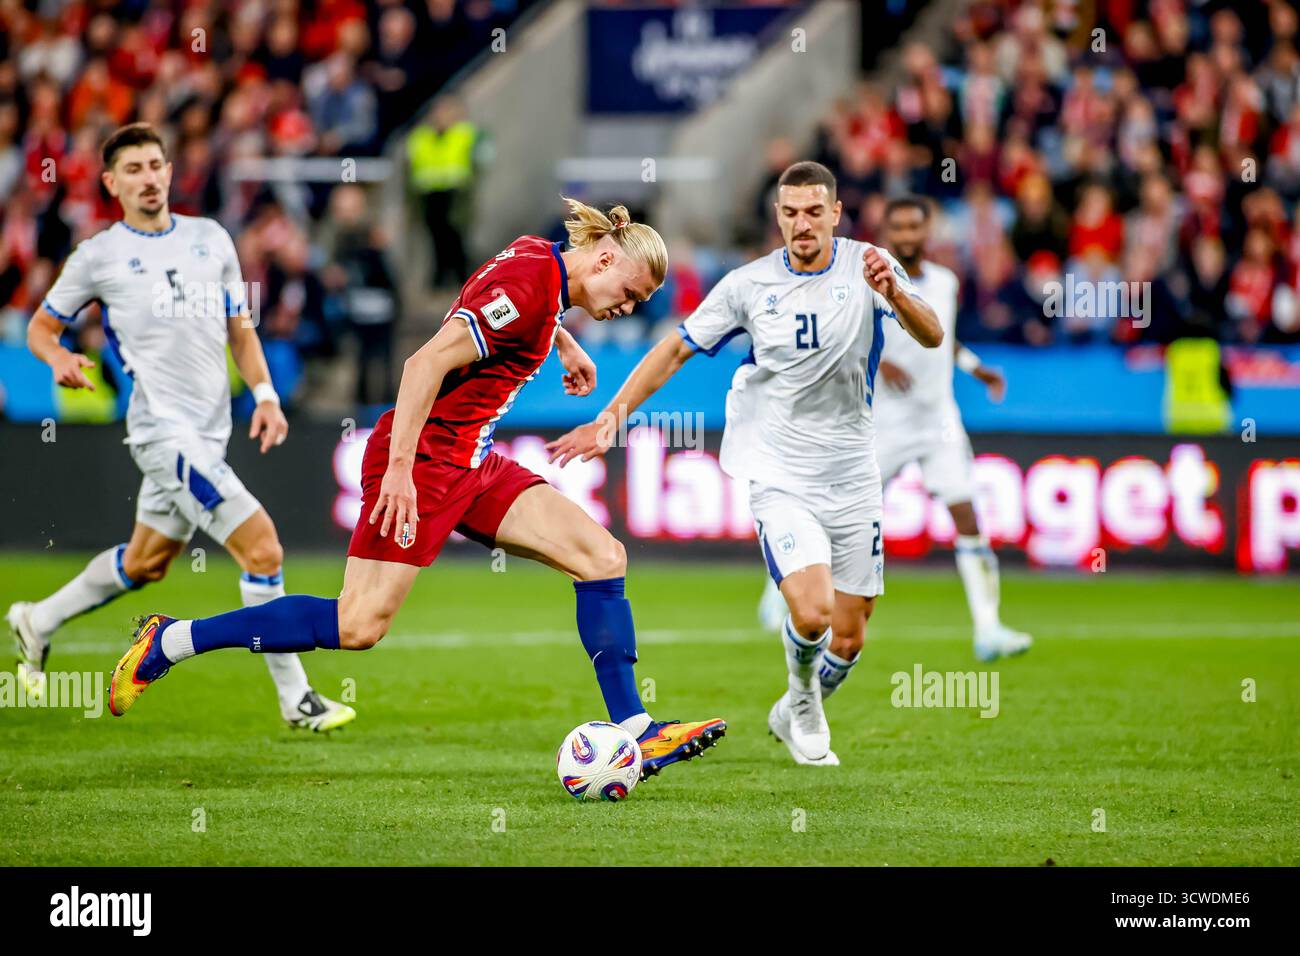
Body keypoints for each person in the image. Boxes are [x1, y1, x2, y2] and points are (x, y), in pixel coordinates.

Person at [106, 199, 726, 781]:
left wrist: (561, 343)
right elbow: (423, 363)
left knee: (602, 557)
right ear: (606, 258)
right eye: (630, 293)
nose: (629, 307)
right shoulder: (528, 290)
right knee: (358, 625)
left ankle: (636, 729)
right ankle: (171, 639)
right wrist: (399, 468)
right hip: (423, 462)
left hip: (471, 461)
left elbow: (513, 312)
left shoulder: (540, 258)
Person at [547, 162, 942, 767]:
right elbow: (676, 347)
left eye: (815, 212)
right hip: (780, 471)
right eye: (790, 213)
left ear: (836, 213)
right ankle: (805, 703)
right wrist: (611, 419)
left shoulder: (869, 266)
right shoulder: (748, 286)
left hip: (855, 473)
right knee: (811, 612)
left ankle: (793, 702)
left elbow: (933, 332)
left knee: (851, 631)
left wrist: (893, 292)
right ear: (777, 217)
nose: (802, 224)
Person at [9, 122, 355, 732]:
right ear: (112, 182)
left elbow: (241, 332)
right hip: (161, 434)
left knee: (147, 563)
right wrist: (60, 357)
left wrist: (268, 396)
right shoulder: (98, 256)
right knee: (264, 546)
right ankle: (296, 698)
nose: (148, 177)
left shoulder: (211, 239)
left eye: (155, 165)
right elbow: (42, 326)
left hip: (210, 431)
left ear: (170, 172)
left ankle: (37, 619)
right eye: (133, 169)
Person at [758, 197, 1033, 661]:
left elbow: (941, 334)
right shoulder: (864, 280)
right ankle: (778, 590)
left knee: (967, 516)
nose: (907, 235)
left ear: (928, 232)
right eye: (898, 227)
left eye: (915, 226)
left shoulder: (945, 282)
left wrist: (975, 368)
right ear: (888, 233)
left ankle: (989, 629)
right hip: (884, 421)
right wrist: (880, 361)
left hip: (938, 420)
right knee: (828, 516)